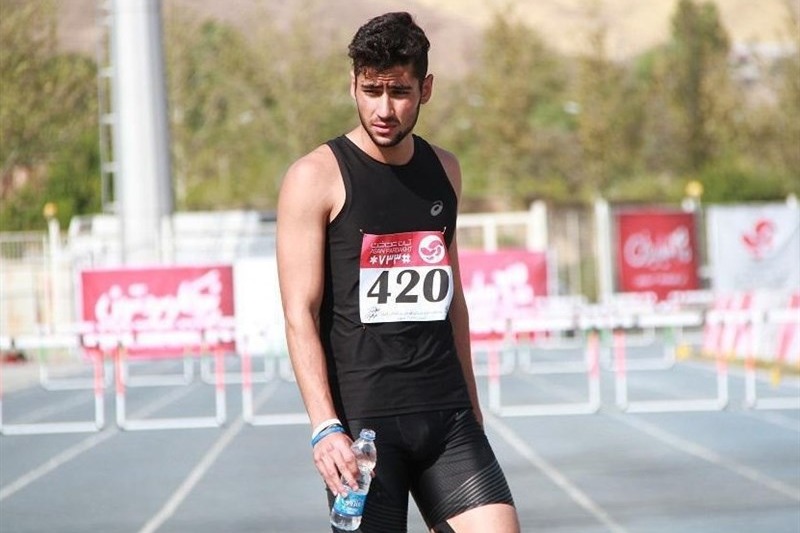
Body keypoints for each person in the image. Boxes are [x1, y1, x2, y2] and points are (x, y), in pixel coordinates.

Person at [276, 11, 520, 533]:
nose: (384, 109)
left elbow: (453, 300)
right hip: (363, 432)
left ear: (425, 88)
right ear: (353, 84)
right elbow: (300, 313)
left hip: (447, 417)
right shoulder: (314, 178)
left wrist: (473, 407)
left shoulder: (445, 170)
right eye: (371, 90)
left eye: (400, 92)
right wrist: (324, 427)